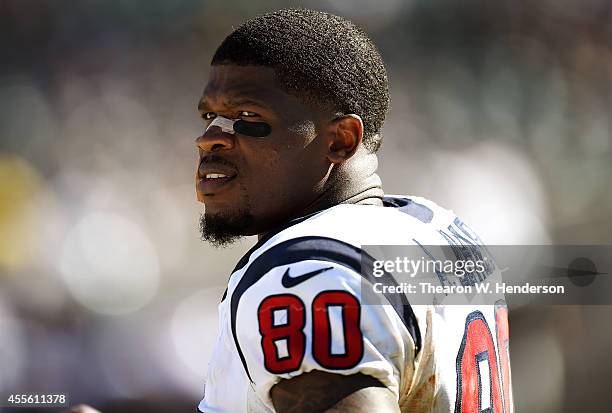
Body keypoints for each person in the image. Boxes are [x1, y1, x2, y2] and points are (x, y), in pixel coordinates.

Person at [196, 9, 513, 413]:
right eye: (210, 116)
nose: (209, 139)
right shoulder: (438, 228)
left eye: (247, 117)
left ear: (341, 140)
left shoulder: (307, 273)